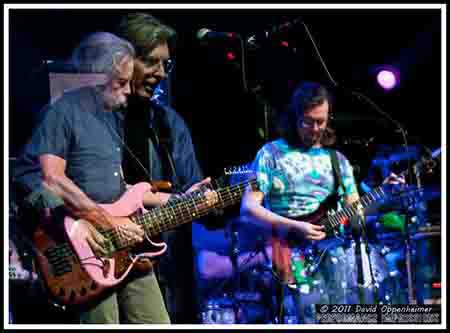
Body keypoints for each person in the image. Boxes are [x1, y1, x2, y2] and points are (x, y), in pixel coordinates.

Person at [12, 31, 211, 324]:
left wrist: (181, 199)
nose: (128, 90)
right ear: (96, 76)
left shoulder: (110, 120)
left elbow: (121, 189)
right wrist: (98, 222)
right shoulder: (64, 111)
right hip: (85, 248)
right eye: (120, 82)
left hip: (124, 247)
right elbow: (47, 179)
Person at [240, 81, 370, 323]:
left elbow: (357, 214)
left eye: (321, 121)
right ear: (295, 117)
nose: (315, 128)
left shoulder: (338, 160)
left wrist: (386, 195)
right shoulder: (270, 154)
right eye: (308, 121)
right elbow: (248, 208)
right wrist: (295, 226)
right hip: (289, 252)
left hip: (334, 255)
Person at [114, 13, 213, 323]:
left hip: (163, 267)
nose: (160, 74)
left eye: (165, 65)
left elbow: (189, 187)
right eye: (151, 63)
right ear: (123, 61)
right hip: (100, 262)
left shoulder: (170, 123)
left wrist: (197, 198)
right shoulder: (91, 116)